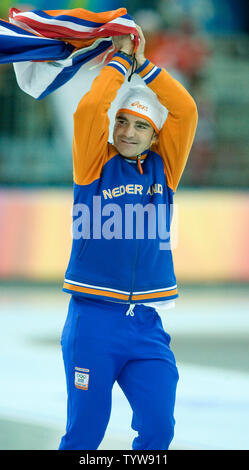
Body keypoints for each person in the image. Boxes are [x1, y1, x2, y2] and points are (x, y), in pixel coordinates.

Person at [59, 25, 198, 450]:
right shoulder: (93, 166)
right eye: (121, 121)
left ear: (156, 136)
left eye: (140, 126)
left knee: (158, 430)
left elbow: (186, 111)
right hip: (93, 321)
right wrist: (120, 62)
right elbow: (89, 110)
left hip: (146, 325)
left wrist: (145, 65)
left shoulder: (165, 170)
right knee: (85, 436)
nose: (127, 132)